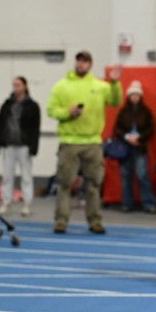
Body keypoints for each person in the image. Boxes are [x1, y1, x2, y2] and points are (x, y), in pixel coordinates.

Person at [46, 50, 122, 235]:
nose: (81, 64)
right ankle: (61, 221)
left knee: (94, 185)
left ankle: (95, 221)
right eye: (79, 60)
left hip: (93, 142)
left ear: (90, 64)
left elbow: (115, 101)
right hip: (69, 142)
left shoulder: (100, 86)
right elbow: (51, 110)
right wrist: (67, 112)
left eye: (85, 61)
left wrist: (114, 83)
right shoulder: (61, 86)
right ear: (75, 62)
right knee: (64, 184)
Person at [0, 76, 41, 217]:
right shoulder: (6, 105)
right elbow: (0, 125)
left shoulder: (33, 106)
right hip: (8, 144)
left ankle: (27, 204)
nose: (16, 87)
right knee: (7, 176)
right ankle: (6, 202)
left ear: (25, 86)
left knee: (26, 176)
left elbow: (36, 128)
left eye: (18, 84)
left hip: (24, 145)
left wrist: (34, 147)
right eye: (14, 85)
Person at [112, 80, 156, 214]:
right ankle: (127, 203)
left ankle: (149, 204)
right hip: (124, 148)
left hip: (140, 146)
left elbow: (151, 128)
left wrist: (139, 137)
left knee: (142, 174)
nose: (134, 97)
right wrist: (126, 137)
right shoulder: (123, 112)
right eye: (132, 95)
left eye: (137, 95)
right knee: (125, 175)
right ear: (128, 96)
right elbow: (117, 128)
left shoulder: (146, 112)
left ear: (140, 96)